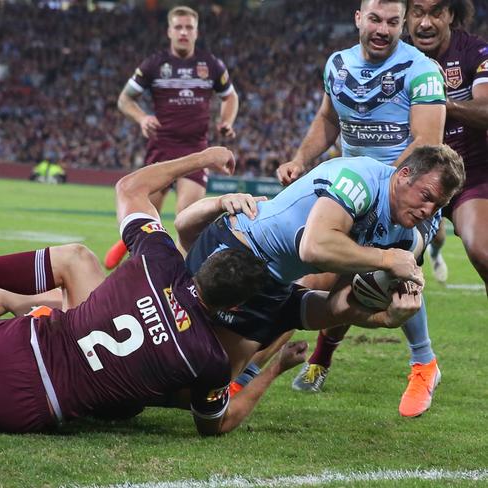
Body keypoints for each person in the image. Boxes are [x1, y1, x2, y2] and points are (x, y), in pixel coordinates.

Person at [0, 147, 309, 435]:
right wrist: (275, 368)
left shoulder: (159, 262)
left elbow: (131, 188)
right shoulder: (206, 359)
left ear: (205, 261)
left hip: (20, 345)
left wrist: (205, 159)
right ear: (236, 305)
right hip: (36, 402)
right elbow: (216, 424)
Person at [177, 144, 464, 415]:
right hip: (237, 247)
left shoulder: (399, 233)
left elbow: (335, 308)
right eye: (426, 196)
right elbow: (313, 247)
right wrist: (386, 259)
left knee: (206, 388)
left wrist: (386, 318)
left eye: (437, 205)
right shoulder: (359, 180)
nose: (428, 210)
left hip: (274, 287)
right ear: (404, 175)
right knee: (171, 336)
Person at [275, 0, 449, 417]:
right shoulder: (337, 65)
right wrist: (302, 160)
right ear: (358, 18)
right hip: (353, 197)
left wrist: (376, 187)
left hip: (406, 199)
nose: (383, 29)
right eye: (375, 19)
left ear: (403, 23)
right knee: (311, 271)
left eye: (393, 22)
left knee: (387, 268)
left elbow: (427, 146)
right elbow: (327, 121)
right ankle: (259, 367)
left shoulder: (422, 71)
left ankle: (424, 363)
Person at [104, 5, 239, 270]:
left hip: (196, 151)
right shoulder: (154, 64)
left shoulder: (210, 65)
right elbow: (124, 99)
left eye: (189, 27)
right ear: (169, 31)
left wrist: (227, 121)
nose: (184, 32)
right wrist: (142, 118)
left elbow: (230, 96)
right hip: (161, 150)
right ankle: (138, 271)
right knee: (144, 223)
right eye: (178, 27)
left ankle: (177, 279)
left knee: (186, 220)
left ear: (197, 32)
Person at [407, 0, 488, 295]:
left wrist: (440, 103)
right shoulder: (396, 57)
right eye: (418, 12)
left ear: (451, 14)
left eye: (436, 12)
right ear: (406, 16)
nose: (426, 22)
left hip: (471, 174)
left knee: (484, 253)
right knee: (381, 274)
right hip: (416, 176)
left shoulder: (475, 51)